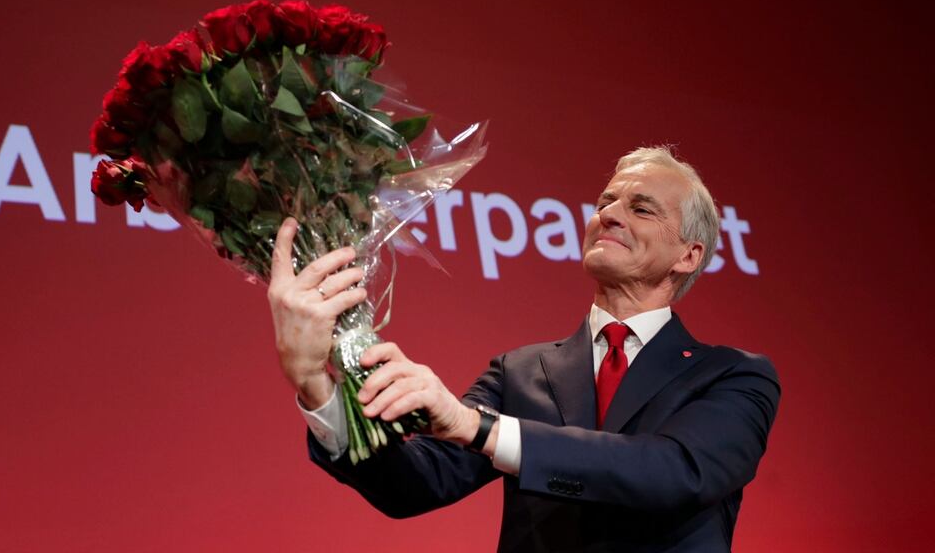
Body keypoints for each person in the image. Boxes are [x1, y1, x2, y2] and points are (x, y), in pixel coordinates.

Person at [267, 146, 781, 552]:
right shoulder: (522, 371)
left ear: (688, 256)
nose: (609, 215)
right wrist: (315, 384)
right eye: (605, 203)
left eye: (640, 208)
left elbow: (676, 473)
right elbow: (415, 486)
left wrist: (478, 426)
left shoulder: (733, 376)